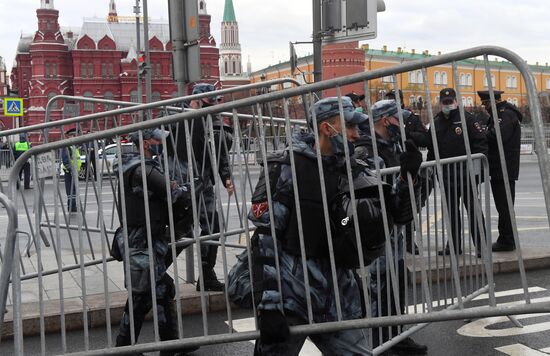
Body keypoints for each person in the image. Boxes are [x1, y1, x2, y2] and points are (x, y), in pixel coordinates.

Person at [247, 96, 421, 355]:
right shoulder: (286, 168)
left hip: (337, 295)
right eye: (349, 127)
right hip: (292, 296)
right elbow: (266, 238)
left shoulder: (355, 168)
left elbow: (395, 214)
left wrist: (409, 178)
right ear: (327, 129)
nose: (356, 134)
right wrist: (270, 306)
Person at [112, 128, 198, 355]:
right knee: (146, 293)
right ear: (145, 143)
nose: (161, 142)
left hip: (146, 238)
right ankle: (128, 347)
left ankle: (166, 344)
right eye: (157, 139)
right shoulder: (142, 169)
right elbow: (174, 194)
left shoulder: (136, 166)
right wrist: (189, 187)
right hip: (142, 241)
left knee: (156, 290)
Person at [354, 99, 427, 355]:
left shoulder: (395, 145)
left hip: (396, 230)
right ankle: (381, 344)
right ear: (386, 120)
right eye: (399, 119)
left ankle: (398, 335)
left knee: (397, 283)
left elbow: (407, 194)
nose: (403, 124)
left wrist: (414, 175)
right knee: (381, 288)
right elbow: (380, 196)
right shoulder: (367, 150)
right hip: (379, 230)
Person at [167, 83, 234, 292]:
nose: (213, 106)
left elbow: (220, 149)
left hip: (202, 181)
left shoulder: (209, 120)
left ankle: (206, 274)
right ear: (197, 100)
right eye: (210, 101)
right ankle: (154, 271)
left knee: (212, 227)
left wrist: (226, 176)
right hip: (183, 183)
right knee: (183, 231)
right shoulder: (176, 117)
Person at [427, 88, 488, 256]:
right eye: (445, 102)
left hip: (467, 176)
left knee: (474, 211)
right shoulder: (437, 122)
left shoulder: (468, 119)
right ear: (440, 103)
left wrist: (478, 173)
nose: (447, 105)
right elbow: (432, 149)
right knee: (451, 213)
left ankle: (481, 246)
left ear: (456, 102)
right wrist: (430, 171)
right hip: (446, 177)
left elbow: (480, 144)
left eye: (450, 102)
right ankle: (453, 246)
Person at [478, 90, 522, 252]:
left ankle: (507, 240)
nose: (485, 108)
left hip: (505, 168)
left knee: (504, 206)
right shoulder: (501, 115)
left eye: (486, 104)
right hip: (500, 167)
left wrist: (483, 132)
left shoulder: (505, 115)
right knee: (503, 205)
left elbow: (498, 136)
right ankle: (506, 238)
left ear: (493, 102)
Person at [61, 129, 81, 212]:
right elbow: (66, 160)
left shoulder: (73, 146)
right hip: (70, 172)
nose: (76, 137)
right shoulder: (67, 146)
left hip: (74, 171)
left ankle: (73, 206)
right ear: (69, 136)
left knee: (73, 190)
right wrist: (71, 169)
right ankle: (71, 207)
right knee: (70, 191)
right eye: (73, 135)